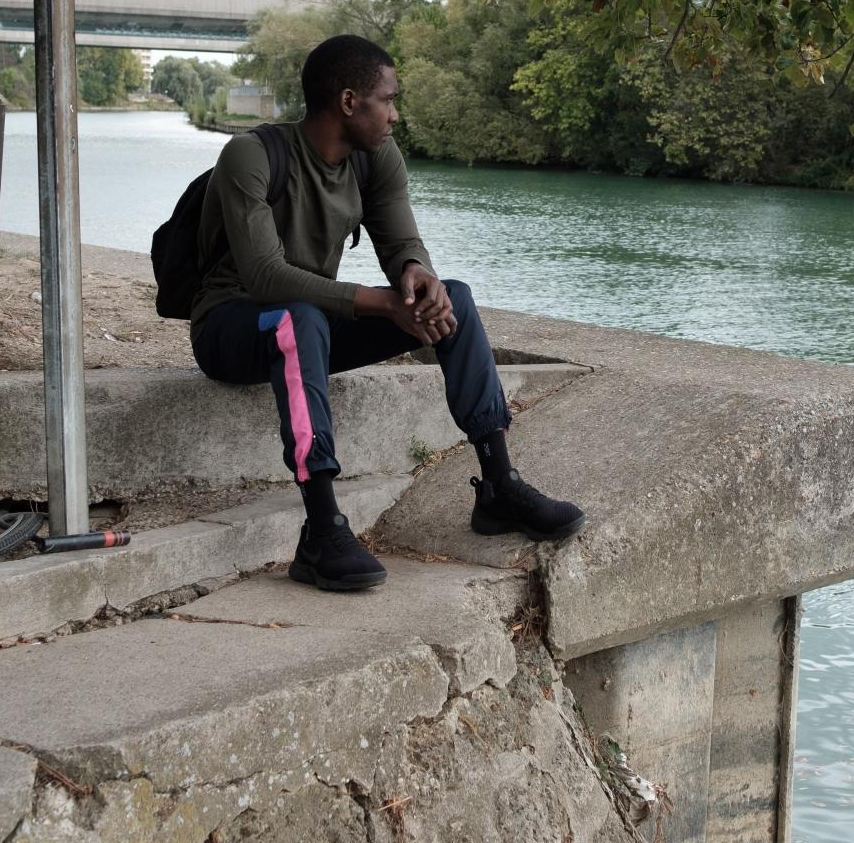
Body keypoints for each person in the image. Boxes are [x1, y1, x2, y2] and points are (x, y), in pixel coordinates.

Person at [188, 35, 586, 592]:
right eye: (388, 99)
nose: (396, 114)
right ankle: (322, 526)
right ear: (349, 102)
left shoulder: (375, 158)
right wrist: (380, 303)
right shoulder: (252, 156)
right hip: (234, 326)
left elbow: (402, 243)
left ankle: (499, 485)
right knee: (295, 317)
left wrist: (416, 277)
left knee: (456, 296)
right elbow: (265, 277)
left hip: (316, 324)